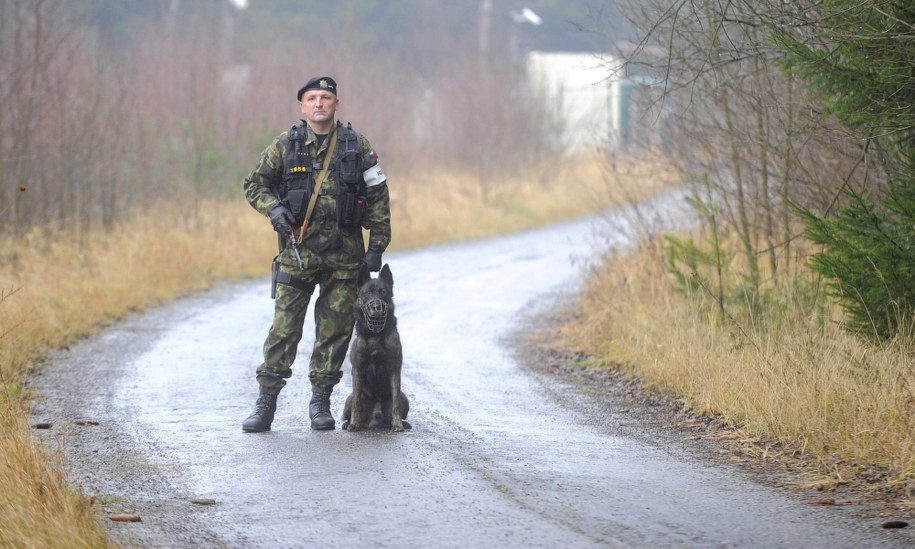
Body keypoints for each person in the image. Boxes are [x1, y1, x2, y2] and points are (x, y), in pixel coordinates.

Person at [241, 76, 391, 432]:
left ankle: (320, 401)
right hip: (298, 255)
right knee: (283, 330)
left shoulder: (357, 146)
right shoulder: (285, 146)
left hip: (345, 260)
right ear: (302, 107)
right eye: (312, 98)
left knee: (335, 332)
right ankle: (266, 403)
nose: (319, 103)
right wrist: (274, 210)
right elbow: (254, 184)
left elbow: (379, 198)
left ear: (337, 104)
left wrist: (376, 249)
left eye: (326, 97)